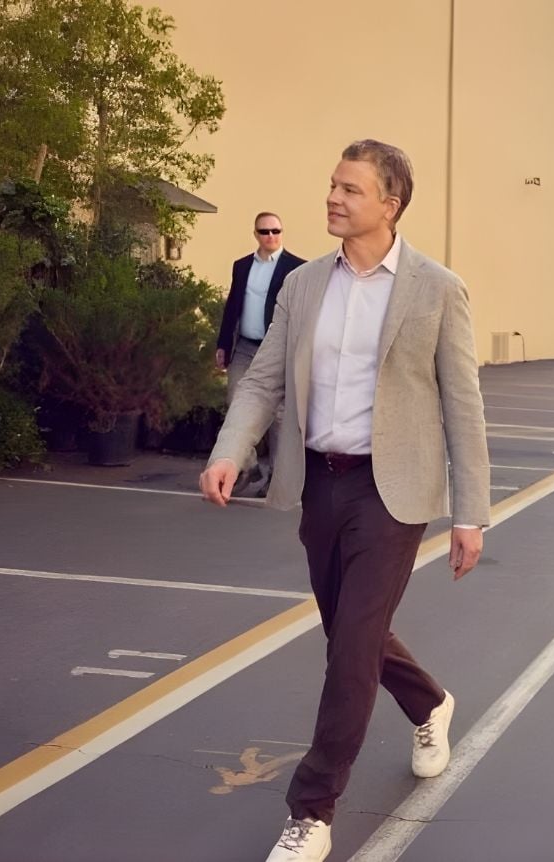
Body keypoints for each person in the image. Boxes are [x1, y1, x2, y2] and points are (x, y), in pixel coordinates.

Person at [199, 139, 491, 862]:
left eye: (350, 190)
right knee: (347, 634)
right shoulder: (304, 286)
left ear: (389, 205)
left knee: (352, 648)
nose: (332, 198)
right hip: (319, 483)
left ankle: (313, 809)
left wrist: (470, 513)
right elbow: (264, 381)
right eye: (332, 185)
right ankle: (428, 702)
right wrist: (230, 451)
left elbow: (464, 404)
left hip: (392, 492)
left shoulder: (436, 287)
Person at [216, 212, 306, 495]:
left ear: (282, 232)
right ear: (255, 234)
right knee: (235, 404)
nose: (271, 236)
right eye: (265, 232)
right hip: (244, 346)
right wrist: (222, 344)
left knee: (278, 416)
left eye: (276, 231)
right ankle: (249, 466)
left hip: (276, 350)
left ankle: (277, 477)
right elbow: (233, 306)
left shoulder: (297, 268)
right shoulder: (242, 266)